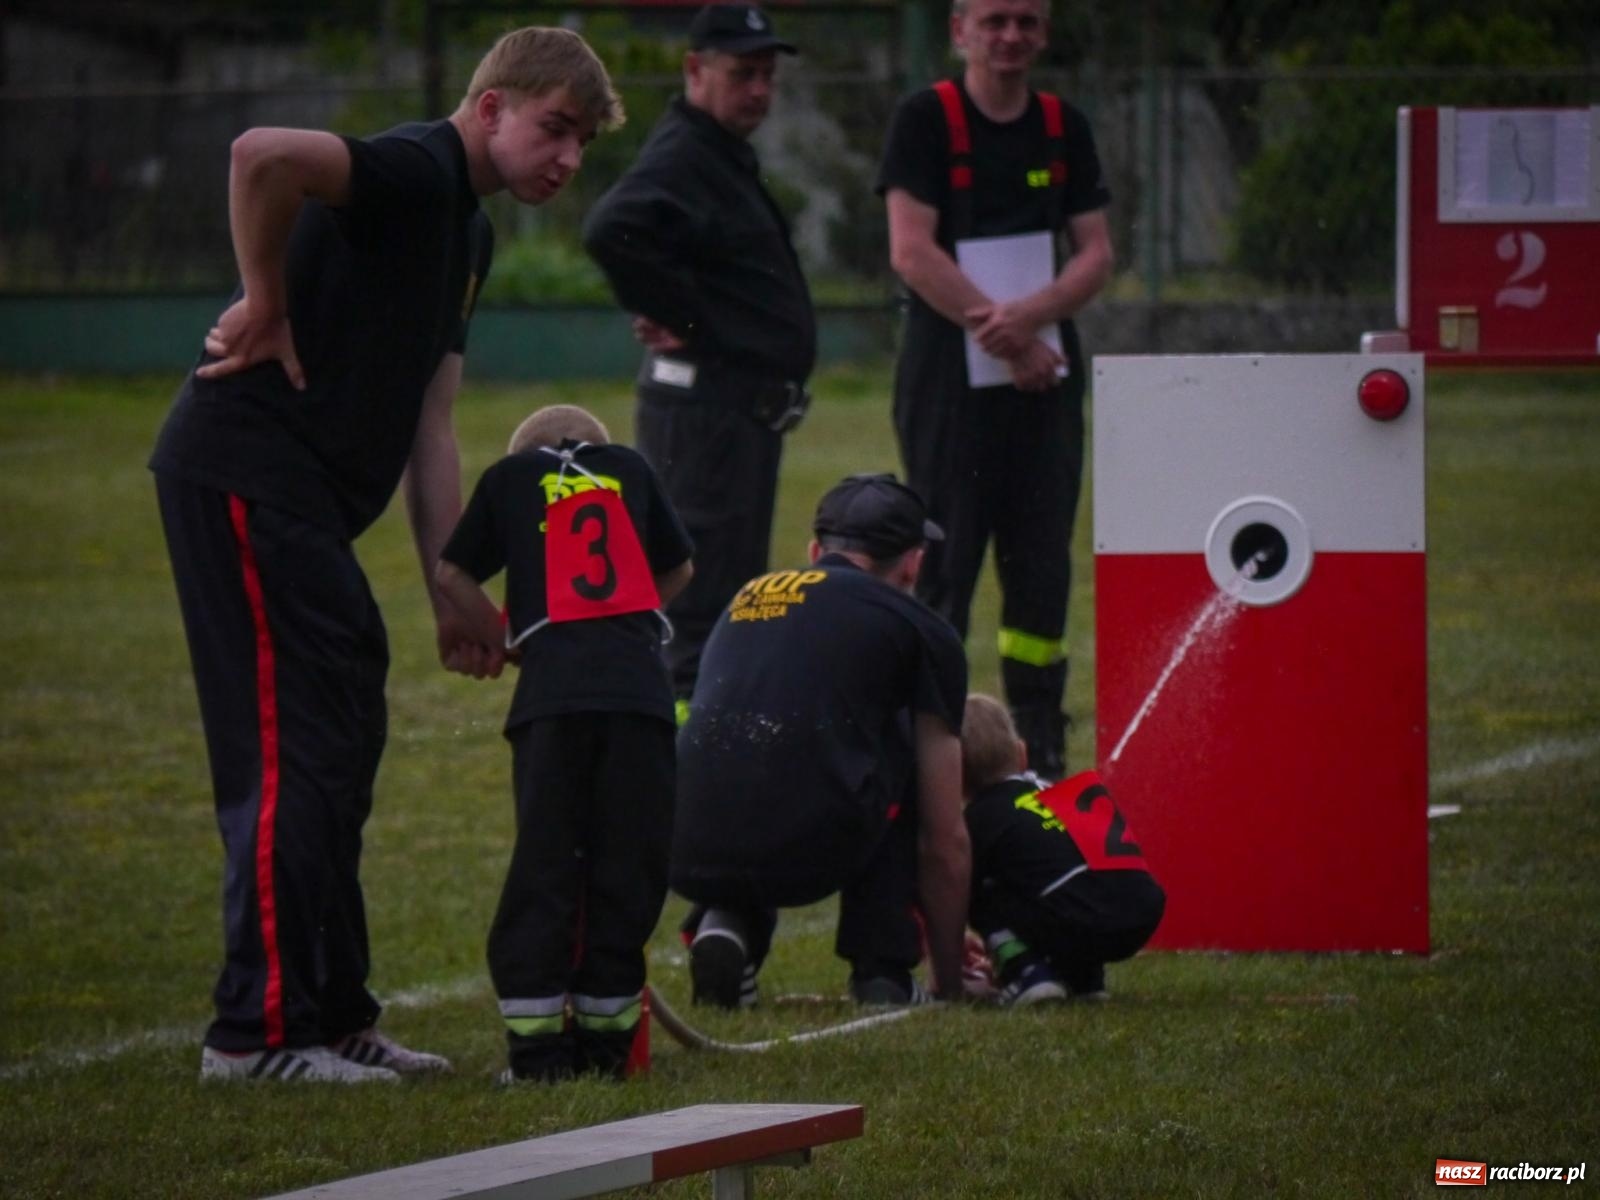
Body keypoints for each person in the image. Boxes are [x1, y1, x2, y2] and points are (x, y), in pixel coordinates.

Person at [149, 28, 625, 1084]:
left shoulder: (469, 232)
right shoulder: (415, 170)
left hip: (303, 509)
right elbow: (259, 155)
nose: (565, 158)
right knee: (296, 748)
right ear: (491, 106)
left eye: (582, 143)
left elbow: (433, 420)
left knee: (347, 731)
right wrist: (265, 297)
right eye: (554, 127)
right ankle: (256, 1035)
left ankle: (332, 1014)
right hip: (242, 477)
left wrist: (453, 584)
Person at [876, 0, 1114, 779]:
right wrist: (1002, 331)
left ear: (1046, 32)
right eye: (995, 20)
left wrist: (1032, 323)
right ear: (959, 30)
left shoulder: (1062, 126)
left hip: (1043, 384)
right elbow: (912, 251)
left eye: (1027, 21)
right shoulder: (925, 121)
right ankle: (930, 748)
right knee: (944, 568)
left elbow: (1095, 253)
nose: (1011, 36)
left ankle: (1039, 751)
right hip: (948, 386)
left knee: (1042, 569)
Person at [434, 405, 693, 1082]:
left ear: (526, 454)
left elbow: (449, 574)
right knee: (625, 868)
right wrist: (636, 623)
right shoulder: (629, 469)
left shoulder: (509, 476)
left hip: (552, 700)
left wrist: (504, 637)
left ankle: (538, 1054)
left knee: (546, 866)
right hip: (639, 699)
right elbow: (681, 567)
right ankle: (609, 1051)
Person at [582, 3, 817, 719]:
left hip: (731, 416)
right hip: (707, 415)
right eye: (742, 73)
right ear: (694, 71)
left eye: (768, 76)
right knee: (699, 607)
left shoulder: (717, 152)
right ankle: (682, 778)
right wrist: (692, 321)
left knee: (724, 602)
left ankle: (702, 772)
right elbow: (611, 230)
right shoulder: (685, 155)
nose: (758, 91)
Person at [670, 473, 971, 1007]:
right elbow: (945, 838)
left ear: (815, 551)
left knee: (760, 745)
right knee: (900, 735)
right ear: (913, 563)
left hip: (681, 839)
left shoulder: (749, 593)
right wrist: (951, 979)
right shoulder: (919, 626)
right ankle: (883, 970)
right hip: (808, 844)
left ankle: (726, 924)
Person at [959, 694, 1165, 1003]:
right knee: (1060, 876)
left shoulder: (978, 819)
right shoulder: (1056, 790)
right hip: (1143, 907)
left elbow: (954, 891)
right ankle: (1085, 980)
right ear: (1022, 754)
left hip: (1081, 918)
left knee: (981, 886)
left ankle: (1026, 972)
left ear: (956, 778)